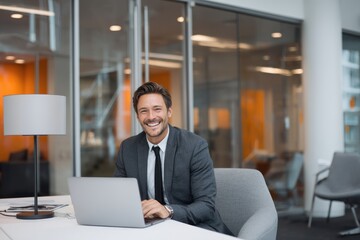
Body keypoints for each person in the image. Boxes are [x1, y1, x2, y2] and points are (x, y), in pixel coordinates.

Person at [114, 81, 233, 236]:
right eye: (144, 111)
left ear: (169, 112)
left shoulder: (194, 146)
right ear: (137, 116)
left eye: (157, 109)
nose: (151, 117)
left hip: (194, 228)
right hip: (150, 228)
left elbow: (206, 206)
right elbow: (119, 196)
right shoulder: (128, 148)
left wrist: (168, 210)